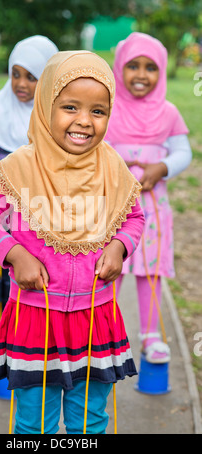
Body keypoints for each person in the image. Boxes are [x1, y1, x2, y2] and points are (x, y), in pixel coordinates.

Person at [0, 50, 145, 434]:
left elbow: (134, 217)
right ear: (46, 105)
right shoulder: (16, 168)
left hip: (96, 317)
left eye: (98, 111)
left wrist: (119, 247)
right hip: (35, 316)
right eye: (69, 107)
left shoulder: (113, 168)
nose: (84, 121)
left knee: (91, 419)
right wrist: (15, 255)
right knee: (34, 422)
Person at [105, 32, 192, 364]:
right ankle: (103, 330)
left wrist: (162, 167)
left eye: (151, 67)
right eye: (133, 66)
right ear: (118, 68)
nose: (141, 75)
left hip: (153, 208)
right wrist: (114, 167)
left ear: (162, 71)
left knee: (150, 270)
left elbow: (183, 151)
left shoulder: (168, 112)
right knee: (110, 266)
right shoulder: (108, 107)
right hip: (112, 208)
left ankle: (151, 334)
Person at [0, 35, 58, 322]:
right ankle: (6, 348)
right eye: (15, 74)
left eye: (31, 77)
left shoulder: (56, 113)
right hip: (5, 212)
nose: (20, 84)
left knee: (44, 283)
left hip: (44, 210)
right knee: (7, 289)